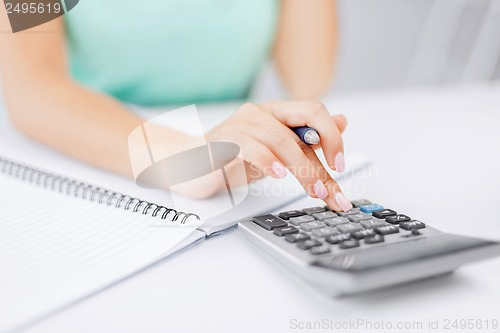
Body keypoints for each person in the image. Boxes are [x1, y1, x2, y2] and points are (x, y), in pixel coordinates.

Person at [0, 0, 353, 212]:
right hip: (87, 156)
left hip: (231, 167)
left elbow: (309, 75)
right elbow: (32, 84)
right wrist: (183, 159)